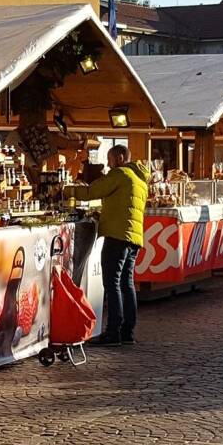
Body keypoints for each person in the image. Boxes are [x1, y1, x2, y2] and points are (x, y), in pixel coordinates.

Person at [69, 145, 150, 345]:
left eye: (110, 158)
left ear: (120, 158)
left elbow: (92, 191)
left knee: (112, 283)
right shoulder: (139, 179)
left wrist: (66, 190)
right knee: (126, 284)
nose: (108, 163)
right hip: (133, 237)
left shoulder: (121, 174)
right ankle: (127, 332)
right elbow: (122, 205)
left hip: (117, 235)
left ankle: (113, 331)